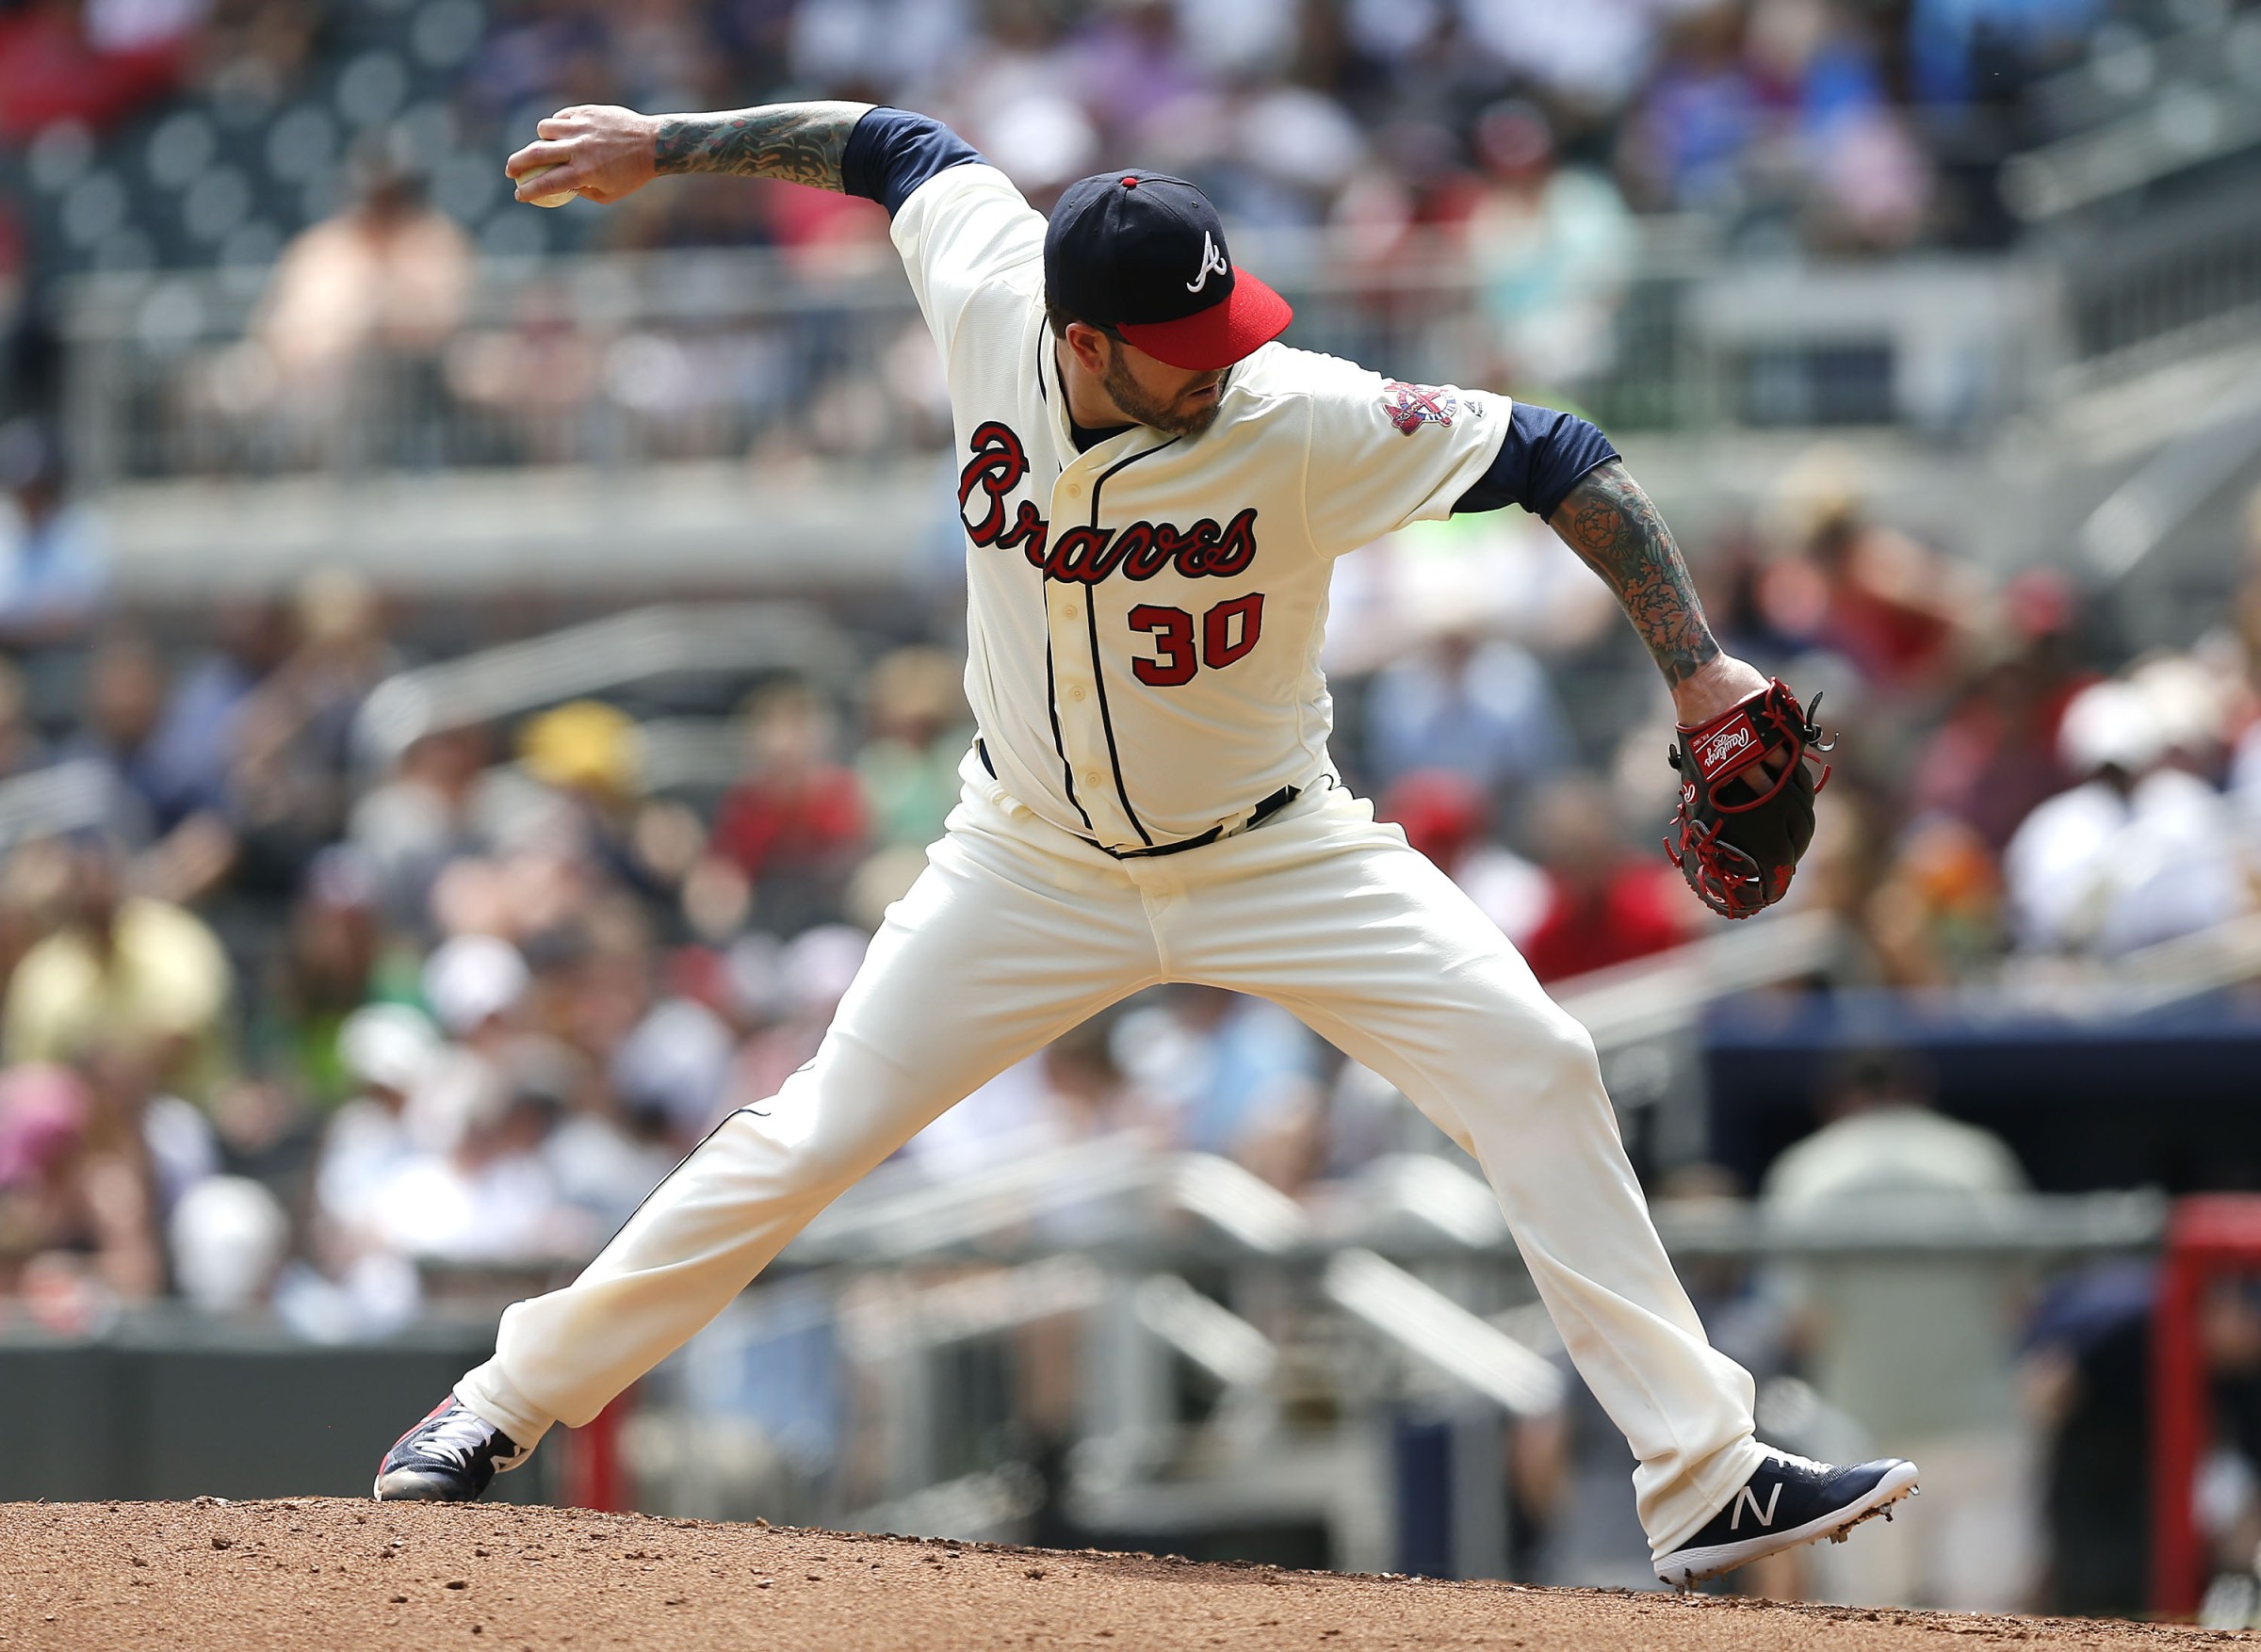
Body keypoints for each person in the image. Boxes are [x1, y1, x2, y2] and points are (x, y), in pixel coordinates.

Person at [373, 98, 1917, 1589]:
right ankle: (498, 1403)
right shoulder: (989, 292)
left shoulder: (1298, 411)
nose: (1226, 363)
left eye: (1229, 326)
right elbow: (894, 146)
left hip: (1279, 852)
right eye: (1187, 349)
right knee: (804, 1132)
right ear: (1084, 339)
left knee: (1537, 1058)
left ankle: (1705, 1471)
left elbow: (1559, 451)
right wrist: (671, 148)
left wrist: (1698, 664)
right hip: (1025, 859)